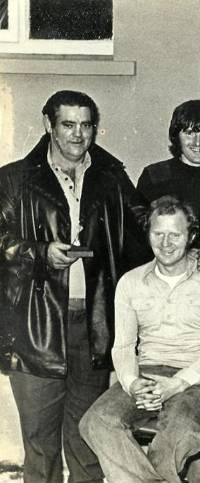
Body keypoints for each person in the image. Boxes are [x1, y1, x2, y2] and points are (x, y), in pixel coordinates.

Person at [0, 90, 147, 482]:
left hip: (93, 324)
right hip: (36, 326)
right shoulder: (14, 179)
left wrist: (190, 242)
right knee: (40, 442)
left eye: (86, 125)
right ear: (49, 125)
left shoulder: (112, 177)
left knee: (87, 439)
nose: (78, 135)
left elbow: (146, 226)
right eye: (68, 124)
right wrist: (39, 251)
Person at [79, 196, 200, 482]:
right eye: (158, 234)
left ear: (191, 236)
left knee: (178, 432)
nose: (166, 243)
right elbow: (123, 346)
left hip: (195, 380)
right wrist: (133, 382)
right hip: (146, 375)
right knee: (96, 422)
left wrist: (176, 384)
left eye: (175, 234)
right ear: (147, 234)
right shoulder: (130, 282)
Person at [137, 99, 200, 268]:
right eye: (189, 133)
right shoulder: (155, 176)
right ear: (177, 136)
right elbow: (141, 234)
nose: (197, 142)